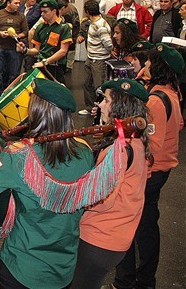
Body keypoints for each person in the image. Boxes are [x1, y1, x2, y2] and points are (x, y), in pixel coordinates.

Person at [0, 79, 95, 289]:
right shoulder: (85, 150)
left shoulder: (19, 156)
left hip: (23, 268)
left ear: (34, 112)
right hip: (63, 269)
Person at [114, 45, 184, 289]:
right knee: (146, 225)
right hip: (162, 170)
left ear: (158, 67)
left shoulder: (155, 100)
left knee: (133, 225)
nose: (144, 66)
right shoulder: (171, 93)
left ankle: (129, 281)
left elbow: (150, 146)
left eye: (149, 63)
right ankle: (143, 280)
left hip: (151, 173)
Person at [71, 78, 150, 289]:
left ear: (120, 107)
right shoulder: (136, 141)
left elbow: (101, 198)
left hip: (99, 238)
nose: (101, 105)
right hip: (118, 235)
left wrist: (71, 196)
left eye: (106, 101)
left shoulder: (119, 150)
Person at [18, 0, 72, 81]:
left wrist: (45, 62)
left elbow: (63, 51)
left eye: (45, 12)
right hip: (40, 65)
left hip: (55, 67)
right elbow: (36, 50)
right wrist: (25, 50)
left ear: (54, 11)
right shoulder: (40, 27)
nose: (42, 14)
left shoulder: (63, 27)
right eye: (41, 12)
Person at [0, 0, 28, 99]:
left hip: (14, 48)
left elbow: (25, 32)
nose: (18, 5)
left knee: (14, 73)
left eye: (19, 3)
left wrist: (17, 35)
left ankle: (10, 95)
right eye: (16, 3)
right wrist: (0, 33)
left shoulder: (21, 16)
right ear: (8, 3)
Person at [76, 0, 113, 116]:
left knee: (99, 87)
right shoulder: (91, 23)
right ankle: (90, 108)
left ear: (87, 11)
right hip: (90, 58)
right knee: (87, 84)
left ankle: (100, 111)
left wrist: (103, 54)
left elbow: (108, 44)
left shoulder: (100, 26)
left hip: (99, 61)